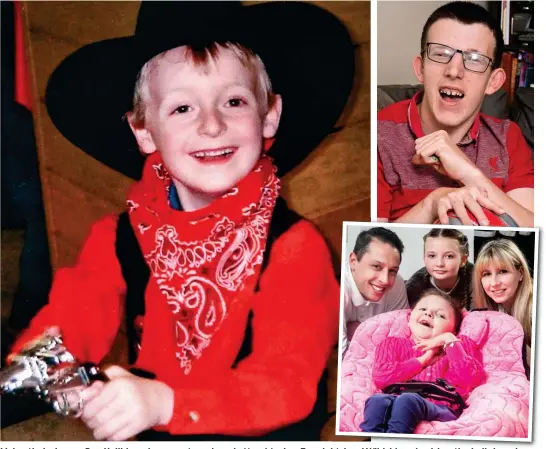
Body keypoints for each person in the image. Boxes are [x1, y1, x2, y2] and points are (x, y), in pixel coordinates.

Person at [8, 2, 355, 441]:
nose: (212, 125)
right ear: (144, 130)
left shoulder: (296, 246)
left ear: (269, 115)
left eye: (233, 101)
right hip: (152, 423)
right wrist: (52, 367)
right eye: (182, 109)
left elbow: (286, 383)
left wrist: (166, 403)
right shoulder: (119, 235)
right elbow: (78, 309)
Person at [377, 1, 533, 226]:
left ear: (493, 81)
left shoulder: (509, 137)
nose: (454, 71)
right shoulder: (379, 136)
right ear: (421, 68)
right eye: (441, 54)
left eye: (475, 60)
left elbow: (536, 237)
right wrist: (430, 205)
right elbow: (367, 250)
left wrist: (470, 174)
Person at [360, 289, 486, 434]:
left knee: (408, 400)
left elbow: (470, 379)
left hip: (443, 406)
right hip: (397, 398)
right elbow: (382, 377)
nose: (428, 314)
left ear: (454, 329)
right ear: (409, 319)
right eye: (423, 309)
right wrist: (423, 361)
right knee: (376, 401)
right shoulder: (392, 343)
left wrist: (449, 340)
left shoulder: (460, 344)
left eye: (441, 315)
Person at [342, 227, 409, 356]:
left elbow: (401, 345)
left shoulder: (397, 283)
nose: (385, 280)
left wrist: (358, 334)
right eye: (376, 266)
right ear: (353, 262)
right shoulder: (339, 290)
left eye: (392, 271)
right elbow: (343, 358)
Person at [473, 239, 533, 378]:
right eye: (486, 274)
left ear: (520, 273)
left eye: (503, 271)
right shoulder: (484, 314)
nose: (494, 283)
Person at [406, 228, 473, 309]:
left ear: (463, 260)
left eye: (449, 256)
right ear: (424, 257)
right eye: (432, 256)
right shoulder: (413, 288)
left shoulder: (477, 279)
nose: (439, 264)